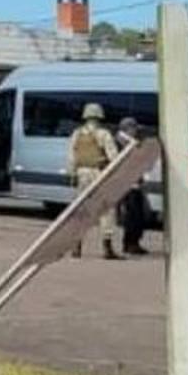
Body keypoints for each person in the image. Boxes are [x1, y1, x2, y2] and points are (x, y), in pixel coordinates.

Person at [66, 101, 120, 260]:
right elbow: (114, 157)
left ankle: (76, 246)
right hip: (99, 173)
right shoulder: (103, 134)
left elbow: (71, 157)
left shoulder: (76, 134)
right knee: (105, 209)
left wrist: (72, 175)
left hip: (81, 173)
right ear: (99, 116)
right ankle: (107, 246)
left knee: (82, 210)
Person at [114, 116, 152, 256]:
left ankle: (135, 242)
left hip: (136, 183)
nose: (136, 132)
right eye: (134, 129)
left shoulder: (132, 143)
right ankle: (129, 243)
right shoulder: (118, 143)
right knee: (132, 215)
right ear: (127, 129)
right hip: (126, 184)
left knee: (140, 215)